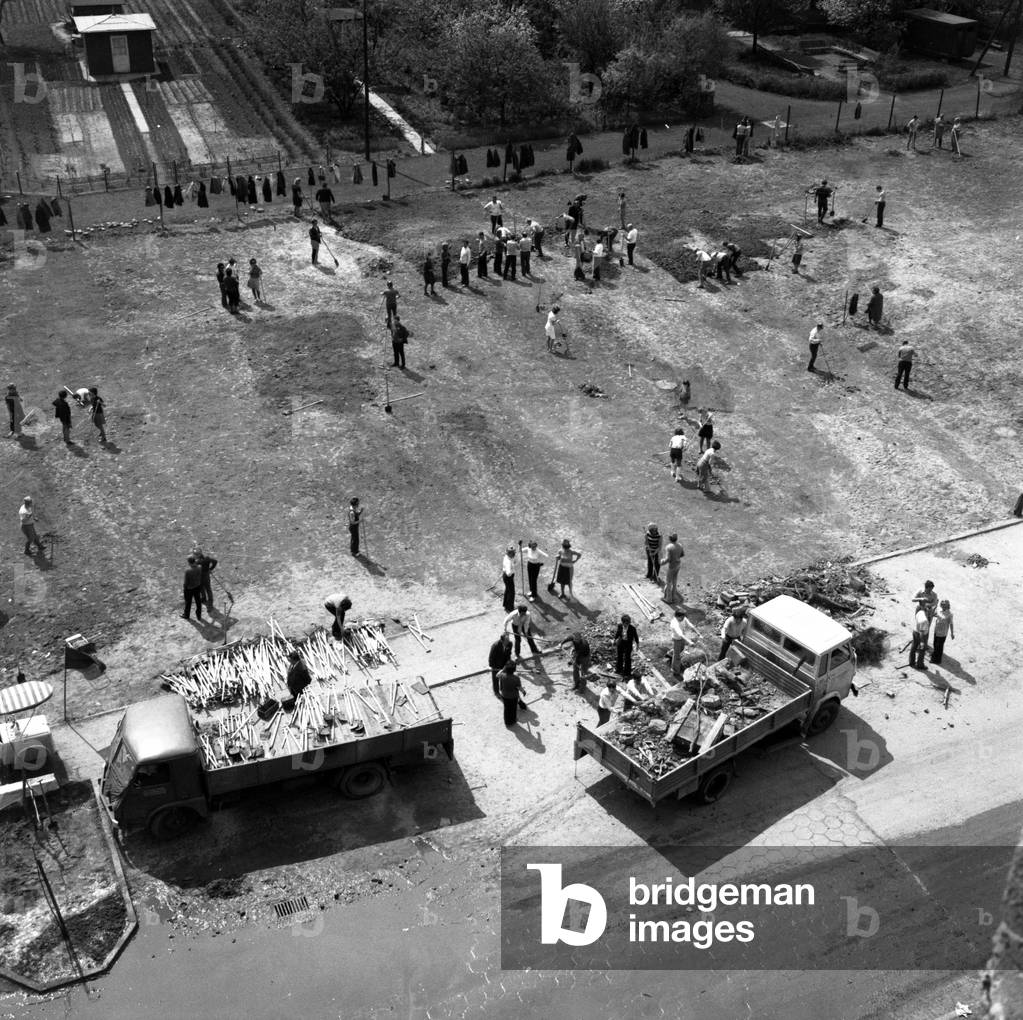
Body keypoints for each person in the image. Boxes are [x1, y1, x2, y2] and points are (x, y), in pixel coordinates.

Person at [670, 607, 700, 676]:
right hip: (677, 639)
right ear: (677, 616)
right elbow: (680, 634)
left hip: (682, 638)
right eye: (682, 618)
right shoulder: (674, 623)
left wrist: (697, 632)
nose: (683, 619)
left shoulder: (683, 618)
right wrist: (689, 642)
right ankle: (675, 670)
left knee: (681, 651)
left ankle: (672, 654)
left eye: (684, 617)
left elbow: (690, 625)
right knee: (677, 655)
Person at [499, 663, 524, 728]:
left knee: (506, 709)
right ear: (514, 670)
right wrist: (523, 691)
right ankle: (512, 721)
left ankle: (507, 722)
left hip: (504, 695)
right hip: (513, 696)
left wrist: (502, 669)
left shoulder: (502, 675)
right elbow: (519, 687)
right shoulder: (516, 678)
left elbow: (497, 675)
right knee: (513, 709)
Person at [489, 632, 514, 698]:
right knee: (495, 678)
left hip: (504, 663)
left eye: (508, 639)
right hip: (496, 665)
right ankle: (496, 692)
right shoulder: (495, 646)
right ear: (502, 640)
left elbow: (509, 654)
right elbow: (491, 657)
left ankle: (502, 689)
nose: (508, 641)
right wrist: (492, 666)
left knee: (503, 677)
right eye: (507, 640)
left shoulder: (510, 644)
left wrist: (507, 664)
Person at [931, 600, 954, 665]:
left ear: (948, 605)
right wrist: (934, 607)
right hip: (936, 630)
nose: (943, 605)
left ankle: (937, 660)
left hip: (943, 633)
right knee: (935, 644)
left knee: (939, 646)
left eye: (945, 604)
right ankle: (934, 657)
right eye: (942, 604)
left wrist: (952, 633)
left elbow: (951, 624)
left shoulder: (950, 614)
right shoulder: (939, 610)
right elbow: (934, 614)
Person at [663, 532, 684, 603]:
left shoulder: (669, 547)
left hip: (672, 566)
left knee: (668, 582)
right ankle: (674, 597)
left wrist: (662, 562)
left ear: (670, 539)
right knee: (674, 581)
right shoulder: (680, 545)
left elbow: (668, 559)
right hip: (678, 565)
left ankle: (668, 599)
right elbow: (682, 554)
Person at [182, 555, 204, 621]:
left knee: (188, 602)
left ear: (189, 562)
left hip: (189, 588)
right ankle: (199, 615)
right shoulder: (200, 567)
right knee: (198, 601)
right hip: (197, 586)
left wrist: (185, 588)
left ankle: (186, 615)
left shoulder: (188, 571)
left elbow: (186, 582)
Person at [910, 604, 929, 670]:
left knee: (914, 647)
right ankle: (920, 665)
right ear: (926, 611)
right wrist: (922, 642)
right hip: (920, 634)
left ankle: (911, 662)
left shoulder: (919, 612)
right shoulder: (925, 620)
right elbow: (921, 632)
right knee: (922, 650)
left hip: (915, 631)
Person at [501, 545, 517, 613]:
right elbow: (508, 573)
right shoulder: (508, 561)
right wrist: (512, 570)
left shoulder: (508, 557)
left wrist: (519, 546)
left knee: (508, 590)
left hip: (507, 577)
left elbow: (516, 557)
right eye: (512, 553)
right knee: (512, 592)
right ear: (509, 553)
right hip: (508, 577)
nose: (514, 554)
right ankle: (510, 608)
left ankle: (506, 604)